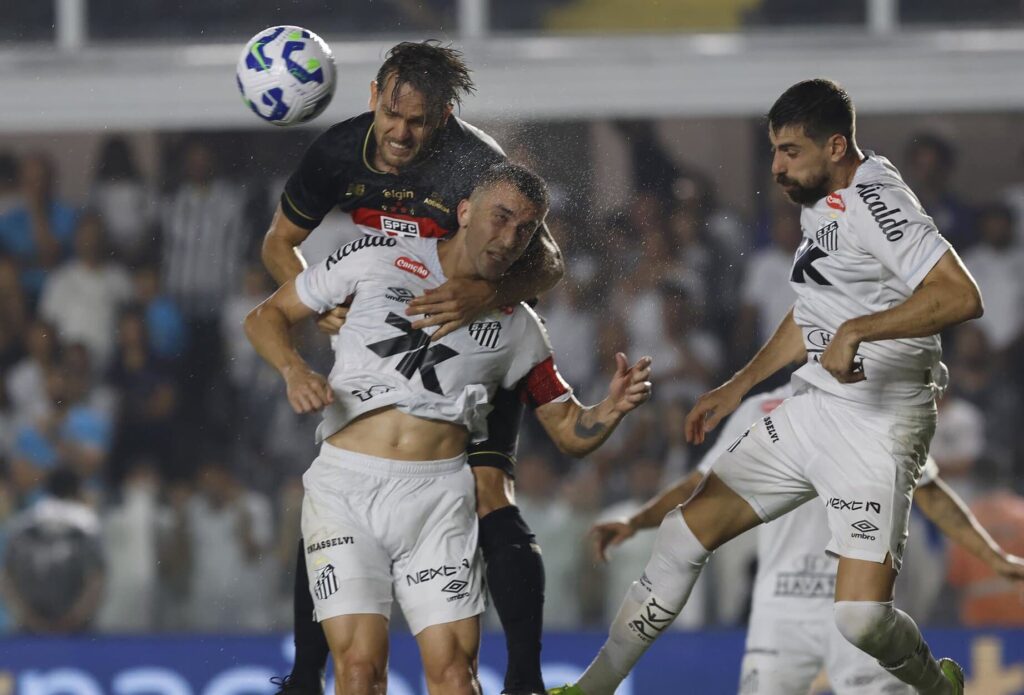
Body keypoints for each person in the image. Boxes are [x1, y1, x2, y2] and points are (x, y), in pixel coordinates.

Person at [552, 78, 984, 695]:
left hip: (879, 423)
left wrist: (859, 330)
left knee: (861, 620)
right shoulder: (822, 201)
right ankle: (591, 688)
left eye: (790, 152)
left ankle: (936, 687)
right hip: (814, 408)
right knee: (683, 532)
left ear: (836, 146)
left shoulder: (877, 199)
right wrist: (737, 386)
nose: (777, 168)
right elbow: (811, 311)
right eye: (775, 151)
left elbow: (961, 295)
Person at [245, 163, 652, 695]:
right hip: (346, 487)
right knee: (360, 671)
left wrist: (614, 408)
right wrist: (295, 370)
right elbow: (264, 317)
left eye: (524, 229)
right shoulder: (375, 258)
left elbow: (569, 430)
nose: (508, 238)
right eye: (499, 218)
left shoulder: (520, 324)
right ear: (464, 212)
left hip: (439, 498)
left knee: (456, 678)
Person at [261, 41, 564, 695]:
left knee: (487, 488)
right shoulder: (338, 151)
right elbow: (278, 243)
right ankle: (305, 676)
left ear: (444, 117)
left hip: (481, 329)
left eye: (418, 121)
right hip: (392, 310)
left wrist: (483, 293)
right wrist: (320, 302)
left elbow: (548, 263)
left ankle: (525, 680)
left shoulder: (475, 164)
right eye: (391, 114)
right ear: (373, 96)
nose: (400, 132)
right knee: (336, 477)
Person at [591, 382, 1024, 693]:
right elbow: (699, 485)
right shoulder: (761, 409)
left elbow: (931, 495)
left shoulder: (875, 414)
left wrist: (994, 554)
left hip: (856, 605)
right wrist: (637, 521)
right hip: (780, 608)